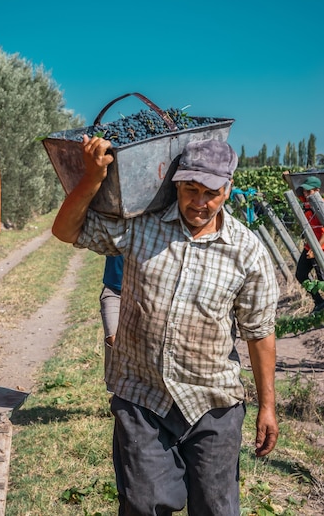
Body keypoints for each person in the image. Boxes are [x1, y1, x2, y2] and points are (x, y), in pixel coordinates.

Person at [52, 136, 279, 516]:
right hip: (143, 396)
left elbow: (259, 332)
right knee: (143, 505)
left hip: (213, 403)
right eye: (191, 189)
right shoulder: (143, 226)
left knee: (216, 508)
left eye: (212, 192)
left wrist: (268, 406)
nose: (200, 202)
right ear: (176, 183)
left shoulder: (247, 251)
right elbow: (65, 230)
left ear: (228, 190)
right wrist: (92, 177)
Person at [294, 175, 324, 311]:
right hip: (309, 247)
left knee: (322, 278)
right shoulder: (307, 204)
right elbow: (294, 191)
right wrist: (286, 178)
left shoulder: (321, 206)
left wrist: (316, 249)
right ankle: (319, 302)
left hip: (321, 248)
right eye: (304, 191)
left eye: (309, 191)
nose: (305, 194)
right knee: (300, 274)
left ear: (317, 190)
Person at [100, 254, 124, 392]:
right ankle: (116, 391)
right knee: (113, 340)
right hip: (114, 291)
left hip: (144, 293)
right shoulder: (115, 232)